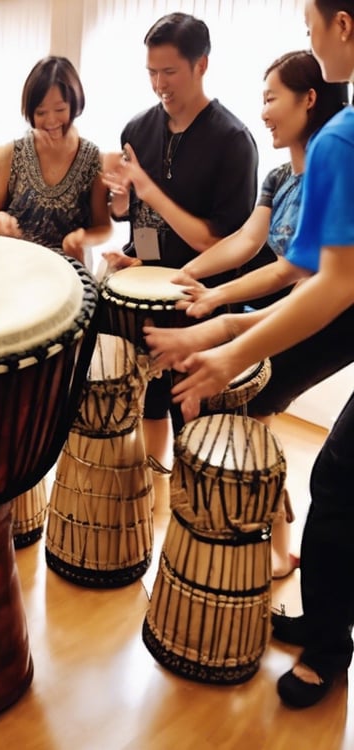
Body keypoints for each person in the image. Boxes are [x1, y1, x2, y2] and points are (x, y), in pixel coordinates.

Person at [146, 0, 354, 709]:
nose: (263, 110)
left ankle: (324, 645)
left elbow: (318, 280)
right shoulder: (291, 167)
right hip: (327, 310)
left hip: (330, 314)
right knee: (334, 478)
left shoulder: (337, 144)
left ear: (342, 26)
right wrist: (209, 308)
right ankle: (319, 619)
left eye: (310, 27)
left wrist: (223, 343)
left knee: (336, 479)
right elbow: (276, 259)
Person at [168, 50, 348, 578]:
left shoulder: (332, 167)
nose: (264, 111)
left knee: (248, 413)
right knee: (255, 421)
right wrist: (188, 274)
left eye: (272, 98)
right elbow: (247, 241)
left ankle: (264, 543)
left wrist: (218, 303)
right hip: (281, 307)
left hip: (318, 314)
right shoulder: (278, 176)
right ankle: (276, 551)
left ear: (308, 99)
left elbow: (291, 272)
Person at [102, 12, 259, 470]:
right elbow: (137, 219)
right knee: (148, 404)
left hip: (201, 306)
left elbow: (219, 241)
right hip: (145, 299)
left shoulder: (234, 141)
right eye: (151, 72)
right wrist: (123, 211)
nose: (158, 84)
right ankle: (157, 485)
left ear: (201, 64)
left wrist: (148, 189)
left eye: (169, 71)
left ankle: (185, 493)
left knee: (193, 421)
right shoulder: (136, 130)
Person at [0, 55, 112, 265]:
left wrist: (81, 238)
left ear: (75, 104)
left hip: (67, 269)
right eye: (41, 112)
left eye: (60, 110)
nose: (51, 120)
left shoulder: (93, 158)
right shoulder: (10, 154)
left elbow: (104, 227)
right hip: (14, 264)